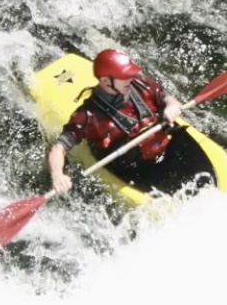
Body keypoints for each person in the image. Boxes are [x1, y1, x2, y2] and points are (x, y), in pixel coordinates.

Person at [47, 49, 213, 196]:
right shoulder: (88, 116)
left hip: (166, 147)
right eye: (124, 76)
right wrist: (57, 174)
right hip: (136, 170)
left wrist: (171, 106)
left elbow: (169, 99)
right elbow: (59, 148)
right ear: (106, 82)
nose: (131, 78)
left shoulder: (141, 85)